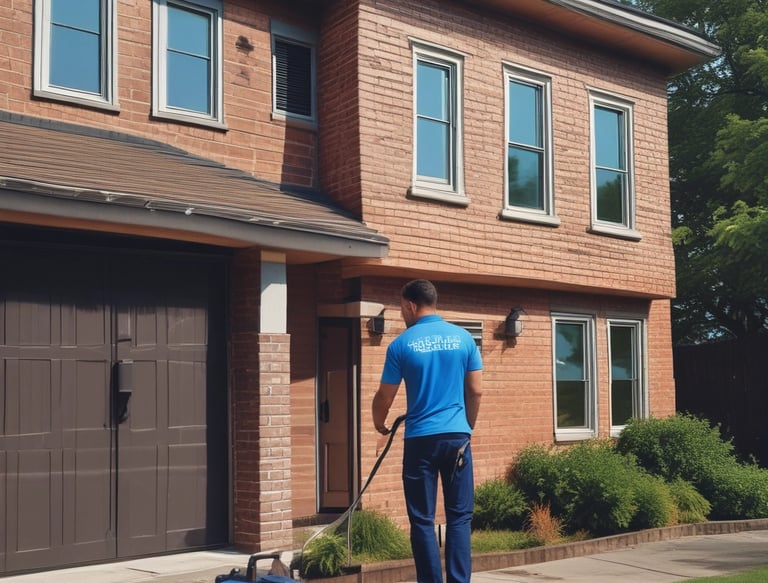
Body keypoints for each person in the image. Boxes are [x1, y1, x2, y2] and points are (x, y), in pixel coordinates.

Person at [372, 279, 483, 583]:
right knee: (459, 517)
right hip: (457, 438)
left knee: (422, 519)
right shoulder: (464, 339)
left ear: (410, 305)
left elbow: (385, 396)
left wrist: (379, 422)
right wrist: (467, 426)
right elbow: (475, 390)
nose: (402, 313)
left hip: (420, 440)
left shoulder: (401, 345)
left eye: (401, 308)